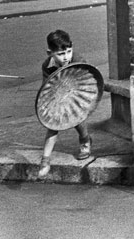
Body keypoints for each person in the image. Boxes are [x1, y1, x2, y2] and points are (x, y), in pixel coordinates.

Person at [38, 29, 93, 176]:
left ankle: (85, 139)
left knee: (76, 117)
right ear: (49, 53)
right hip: (60, 94)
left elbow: (86, 80)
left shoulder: (78, 59)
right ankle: (45, 160)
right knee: (53, 124)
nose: (66, 57)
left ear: (72, 47)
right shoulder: (47, 66)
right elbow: (47, 87)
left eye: (68, 52)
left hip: (78, 93)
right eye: (60, 54)